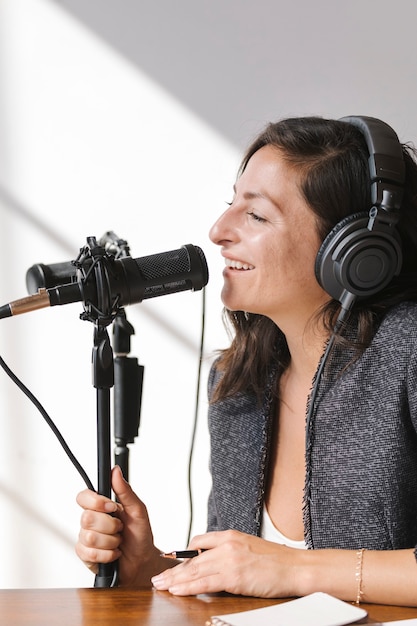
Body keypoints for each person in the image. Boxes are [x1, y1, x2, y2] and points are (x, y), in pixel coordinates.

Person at [75, 115, 417, 606]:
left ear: (353, 251)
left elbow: (279, 569)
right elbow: (250, 581)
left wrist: (299, 569)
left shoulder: (407, 350)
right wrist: (150, 567)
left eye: (255, 216)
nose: (218, 231)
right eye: (230, 204)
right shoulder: (239, 383)